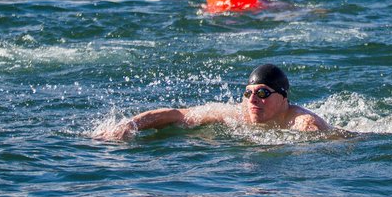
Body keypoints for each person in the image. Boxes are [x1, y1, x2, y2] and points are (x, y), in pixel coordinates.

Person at [95, 64, 330, 141]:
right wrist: (129, 125)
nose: (253, 100)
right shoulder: (235, 115)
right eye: (248, 93)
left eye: (263, 93)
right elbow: (179, 115)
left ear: (283, 98)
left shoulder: (303, 122)